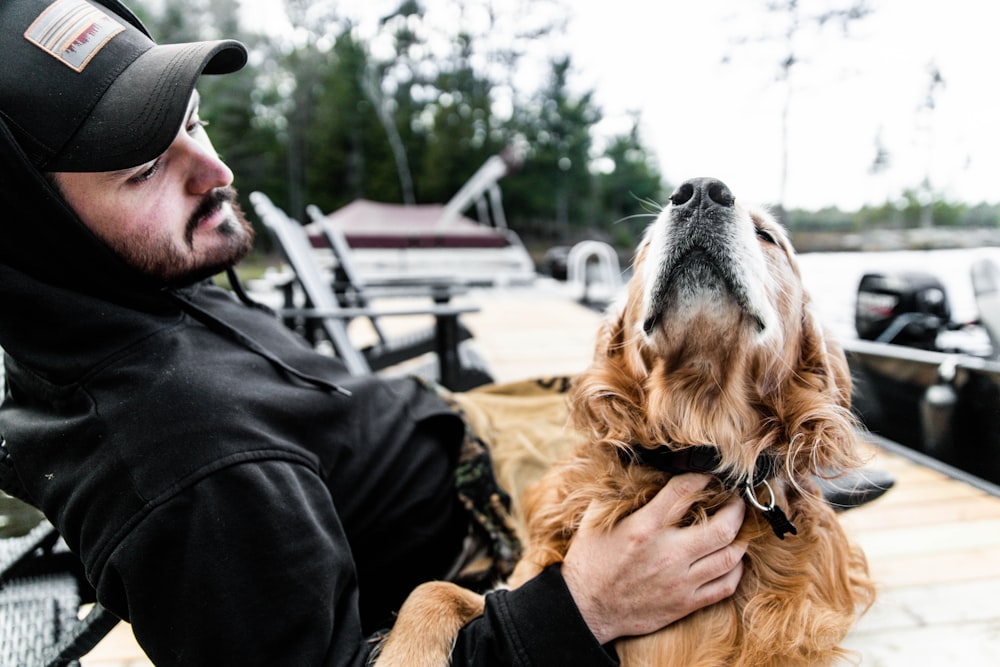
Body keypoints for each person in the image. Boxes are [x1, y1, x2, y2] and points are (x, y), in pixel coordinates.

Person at [0, 1, 749, 664]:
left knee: (747, 425)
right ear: (35, 235)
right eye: (146, 167)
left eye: (194, 121)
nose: (217, 171)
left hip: (462, 427)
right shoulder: (188, 470)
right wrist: (587, 605)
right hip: (477, 528)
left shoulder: (124, 284)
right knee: (735, 480)